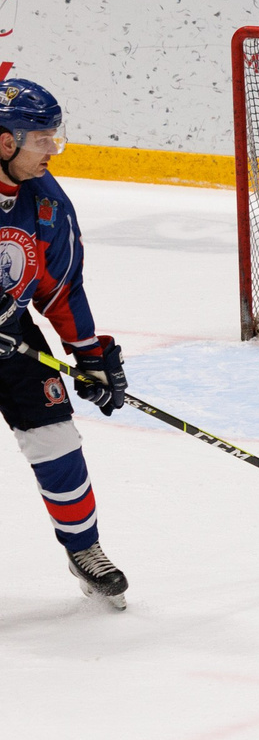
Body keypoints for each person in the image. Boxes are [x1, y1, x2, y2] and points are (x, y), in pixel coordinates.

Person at [0, 78, 129, 607]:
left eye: (55, 137)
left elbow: (60, 288)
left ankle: (84, 549)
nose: (52, 150)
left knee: (57, 438)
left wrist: (90, 356)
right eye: (40, 139)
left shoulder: (47, 203)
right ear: (4, 141)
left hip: (11, 334)